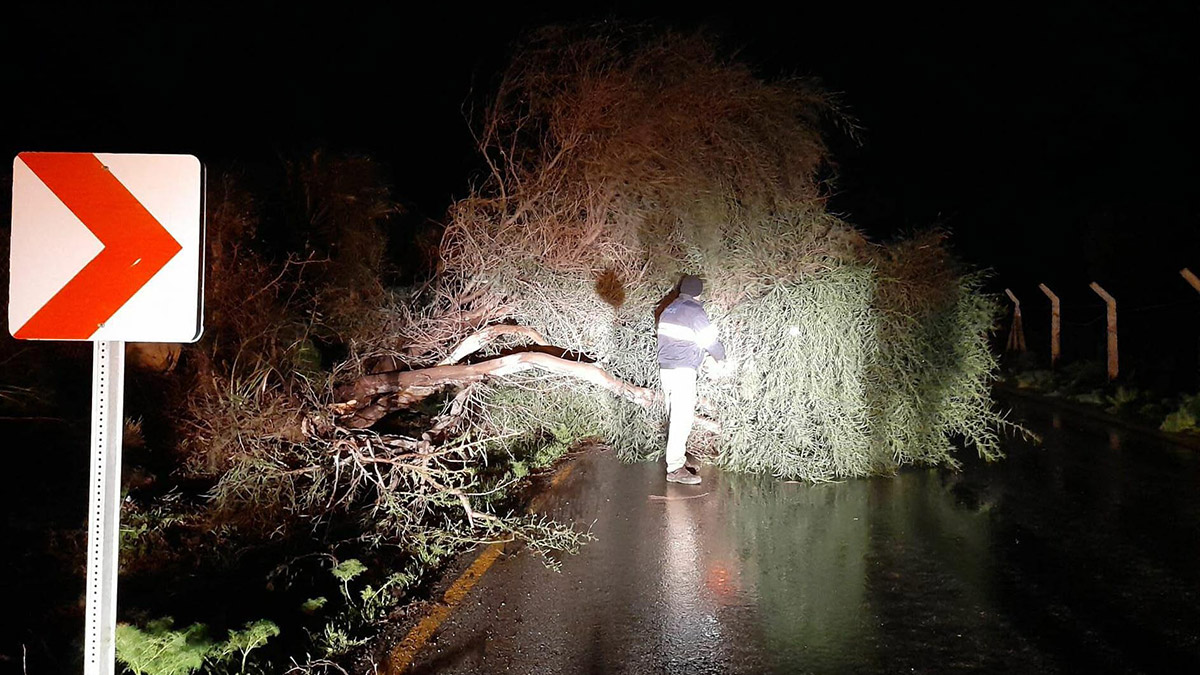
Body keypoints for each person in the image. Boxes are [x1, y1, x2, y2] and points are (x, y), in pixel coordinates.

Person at [656, 274, 728, 484]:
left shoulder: (669, 308)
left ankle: (677, 457)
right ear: (698, 293)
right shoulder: (694, 311)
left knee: (675, 416)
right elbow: (709, 341)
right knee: (682, 418)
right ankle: (675, 468)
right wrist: (721, 357)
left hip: (667, 369)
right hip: (682, 371)